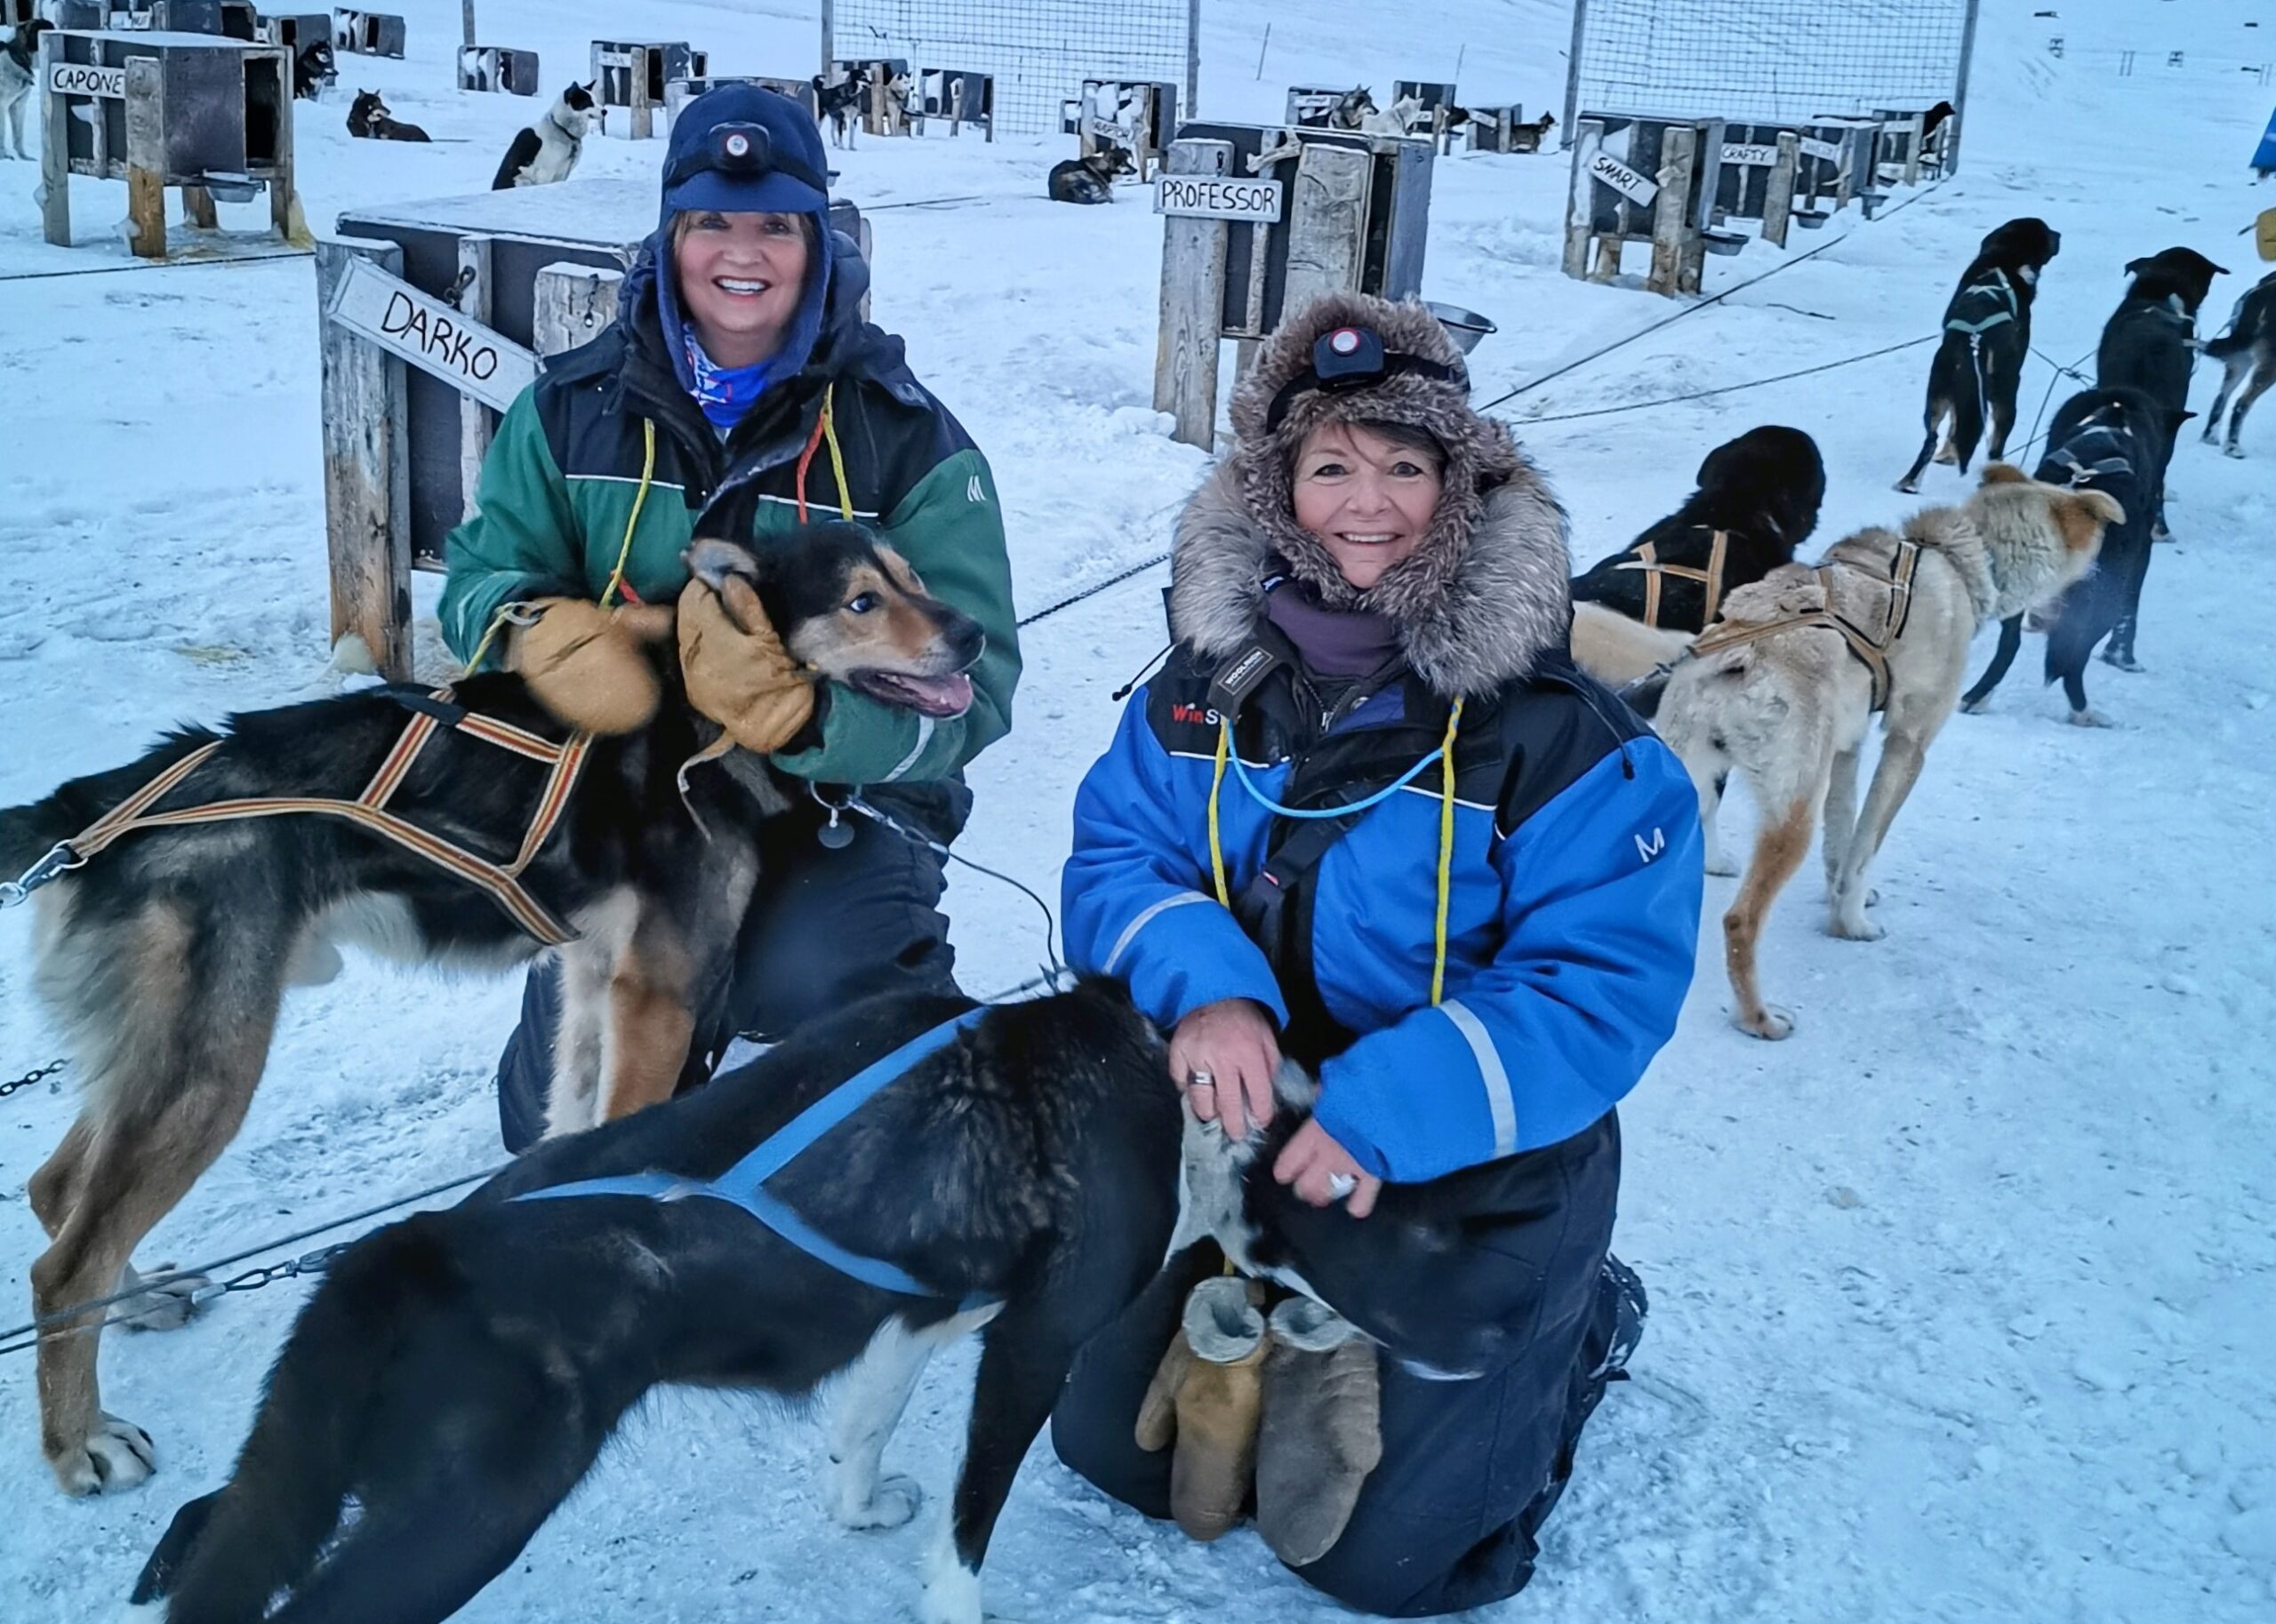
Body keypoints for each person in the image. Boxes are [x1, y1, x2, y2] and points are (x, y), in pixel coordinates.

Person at [1050, 292, 1703, 1615]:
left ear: (1461, 484)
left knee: (1392, 1566)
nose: (1368, 501)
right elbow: (1116, 858)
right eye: (1331, 462)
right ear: (1279, 485)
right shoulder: (1202, 681)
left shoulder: (1563, 736)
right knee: (1111, 1452)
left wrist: (1387, 1108)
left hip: (1470, 1144)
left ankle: (1573, 1324)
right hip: (1243, 1121)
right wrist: (1212, 992)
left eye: (1407, 464)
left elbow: (1603, 986)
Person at [438, 84, 1020, 1150]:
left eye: (774, 224)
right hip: (634, 799)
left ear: (817, 241)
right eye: (711, 219)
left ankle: (871, 1125)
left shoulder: (905, 438)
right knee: (548, 1122)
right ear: (670, 235)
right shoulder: (570, 410)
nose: (740, 251)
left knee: (816, 993)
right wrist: (539, 635)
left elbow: (977, 693)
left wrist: (814, 726)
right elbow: (480, 580)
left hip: (836, 804)